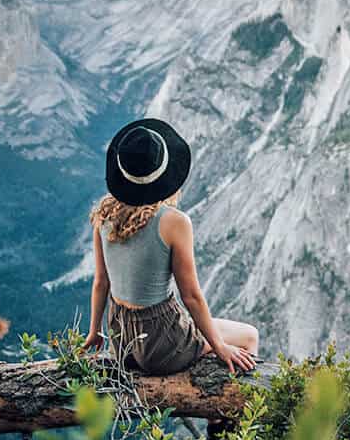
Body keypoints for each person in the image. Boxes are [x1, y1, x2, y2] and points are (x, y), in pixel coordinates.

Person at [83, 117, 258, 375]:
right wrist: (219, 346)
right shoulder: (174, 222)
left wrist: (95, 331)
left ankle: (220, 416)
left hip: (122, 342)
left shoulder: (104, 213)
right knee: (249, 335)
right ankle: (225, 411)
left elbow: (101, 282)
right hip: (163, 344)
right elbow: (191, 296)